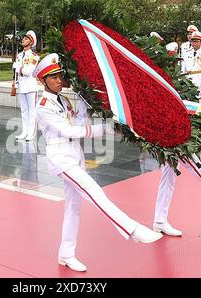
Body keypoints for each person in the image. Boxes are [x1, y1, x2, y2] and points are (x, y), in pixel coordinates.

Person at [35, 53, 163, 272]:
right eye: (53, 77)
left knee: (73, 208)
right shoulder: (43, 105)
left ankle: (66, 253)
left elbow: (79, 122)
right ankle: (132, 229)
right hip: (61, 158)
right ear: (43, 80)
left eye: (60, 75)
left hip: (75, 155)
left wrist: (84, 100)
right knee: (94, 191)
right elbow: (68, 130)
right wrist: (106, 129)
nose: (59, 80)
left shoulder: (64, 100)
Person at [13, 30, 39, 142]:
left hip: (30, 86)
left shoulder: (34, 56)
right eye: (23, 38)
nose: (23, 40)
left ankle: (31, 133)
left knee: (32, 111)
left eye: (26, 39)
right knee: (24, 110)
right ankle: (24, 131)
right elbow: (16, 72)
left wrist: (19, 68)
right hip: (21, 86)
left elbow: (28, 71)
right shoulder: (19, 55)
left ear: (31, 42)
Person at [181, 31, 201, 104]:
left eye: (196, 41)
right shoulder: (186, 53)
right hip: (188, 77)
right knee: (187, 97)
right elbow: (183, 67)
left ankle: (198, 114)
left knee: (198, 98)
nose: (194, 43)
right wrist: (181, 78)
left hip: (198, 78)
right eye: (193, 41)